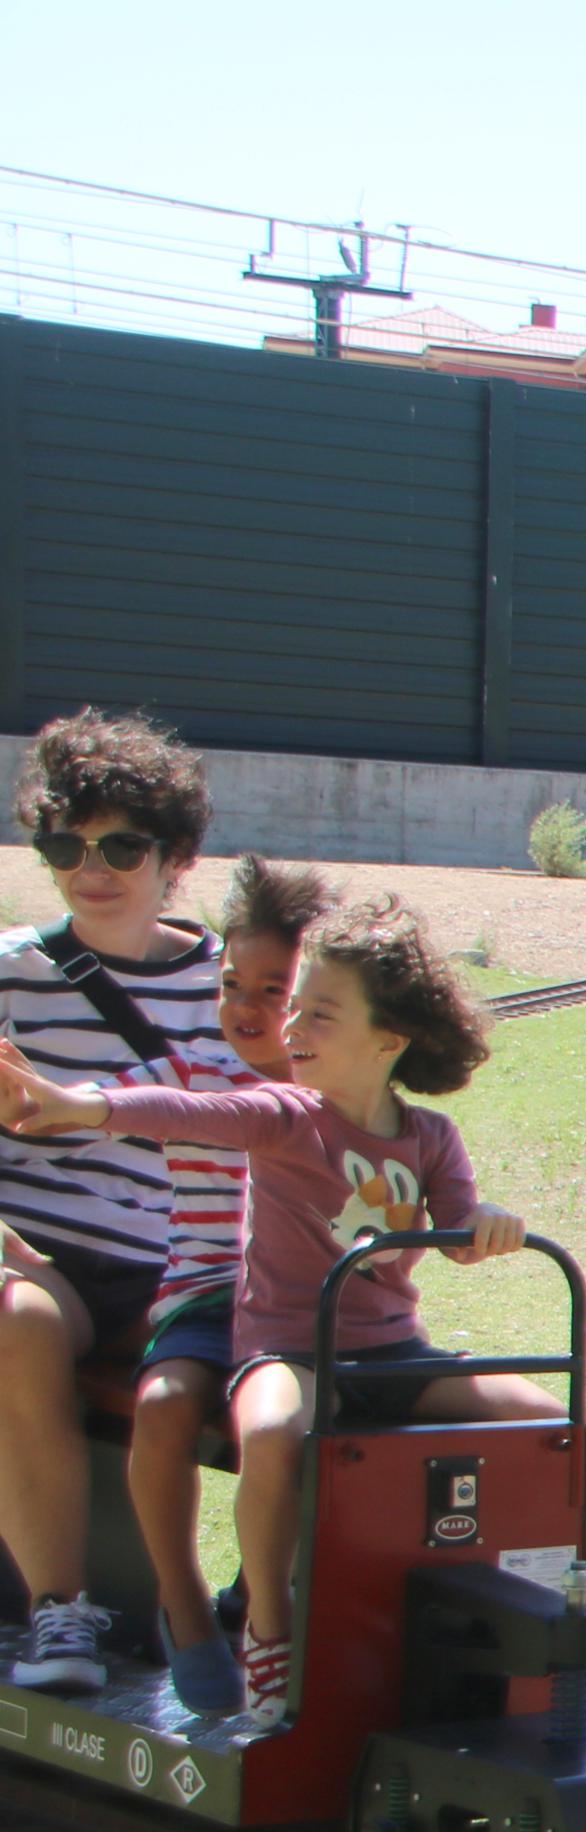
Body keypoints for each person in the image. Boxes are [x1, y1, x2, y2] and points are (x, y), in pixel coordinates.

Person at [0, 896, 541, 1734]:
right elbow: (187, 1112)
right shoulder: (286, 1116)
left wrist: (492, 1227)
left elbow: (460, 1236)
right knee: (273, 1429)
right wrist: (79, 1105)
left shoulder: (431, 1138)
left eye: (315, 1011)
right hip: (288, 1347)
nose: (291, 1025)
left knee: (543, 1415)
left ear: (388, 1040)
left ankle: (537, 1621)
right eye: (294, 1007)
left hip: (390, 1349)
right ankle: (266, 1625)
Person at [0, 712, 229, 1696]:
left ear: (175, 856)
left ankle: (259, 1618)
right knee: (18, 1324)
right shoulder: (13, 970)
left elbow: (271, 1124)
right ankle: (60, 1613)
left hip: (169, 1260)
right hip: (32, 1250)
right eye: (66, 846)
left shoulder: (234, 985)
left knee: (313, 1367)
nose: (91, 869)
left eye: (120, 846)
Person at [130, 856, 329, 1710]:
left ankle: (259, 1596)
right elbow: (101, 1100)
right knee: (167, 1402)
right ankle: (182, 1605)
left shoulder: (336, 1088)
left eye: (273, 989)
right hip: (210, 1296)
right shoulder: (191, 1072)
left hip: (301, 1311)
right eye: (230, 983)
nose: (247, 1008)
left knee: (289, 1427)